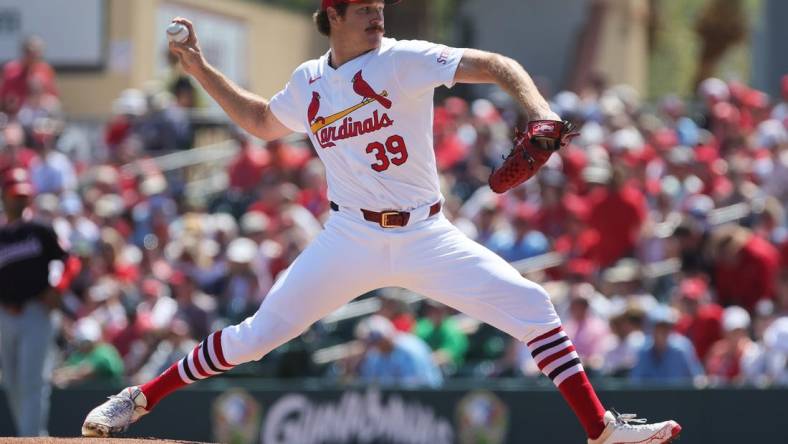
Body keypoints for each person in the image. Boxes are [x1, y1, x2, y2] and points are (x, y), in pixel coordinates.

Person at [82, 2, 681, 442]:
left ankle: (600, 430)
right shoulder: (309, 82)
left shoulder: (404, 60)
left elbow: (498, 64)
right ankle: (137, 400)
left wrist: (541, 112)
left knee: (533, 308)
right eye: (365, 9)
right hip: (350, 237)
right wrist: (202, 70)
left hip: (425, 234)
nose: (378, 16)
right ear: (332, 14)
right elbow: (265, 121)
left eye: (380, 7)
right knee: (255, 337)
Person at [0, 168, 79, 436]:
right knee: (11, 383)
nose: (19, 200)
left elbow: (70, 260)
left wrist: (59, 286)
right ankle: (33, 437)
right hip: (5, 314)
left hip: (36, 311)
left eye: (23, 195)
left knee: (32, 381)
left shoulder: (40, 229)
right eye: (14, 195)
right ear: (4, 196)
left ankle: (29, 438)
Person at [355, 314, 442, 387]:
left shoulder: (409, 349)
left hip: (428, 396)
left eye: (376, 339)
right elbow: (369, 383)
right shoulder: (374, 354)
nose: (374, 344)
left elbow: (415, 385)